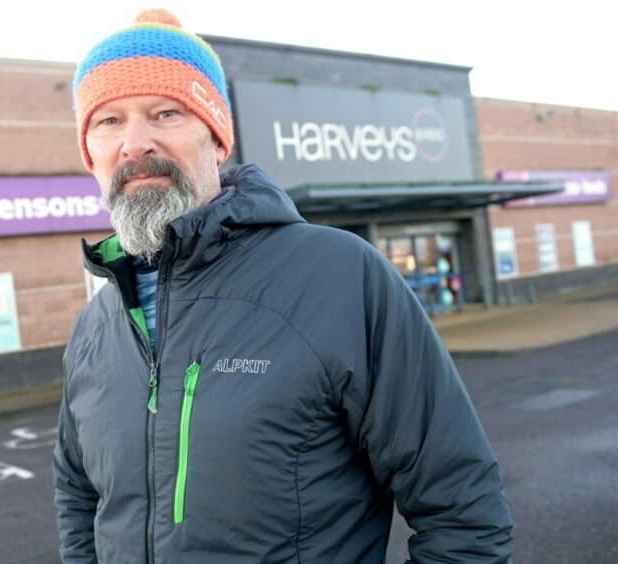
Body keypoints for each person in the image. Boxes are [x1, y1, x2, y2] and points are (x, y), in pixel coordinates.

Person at [54, 8, 512, 563]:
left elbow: (462, 511)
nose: (135, 142)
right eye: (108, 121)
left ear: (218, 141)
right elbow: (79, 501)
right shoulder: (96, 325)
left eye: (165, 112)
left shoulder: (340, 276)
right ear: (92, 155)